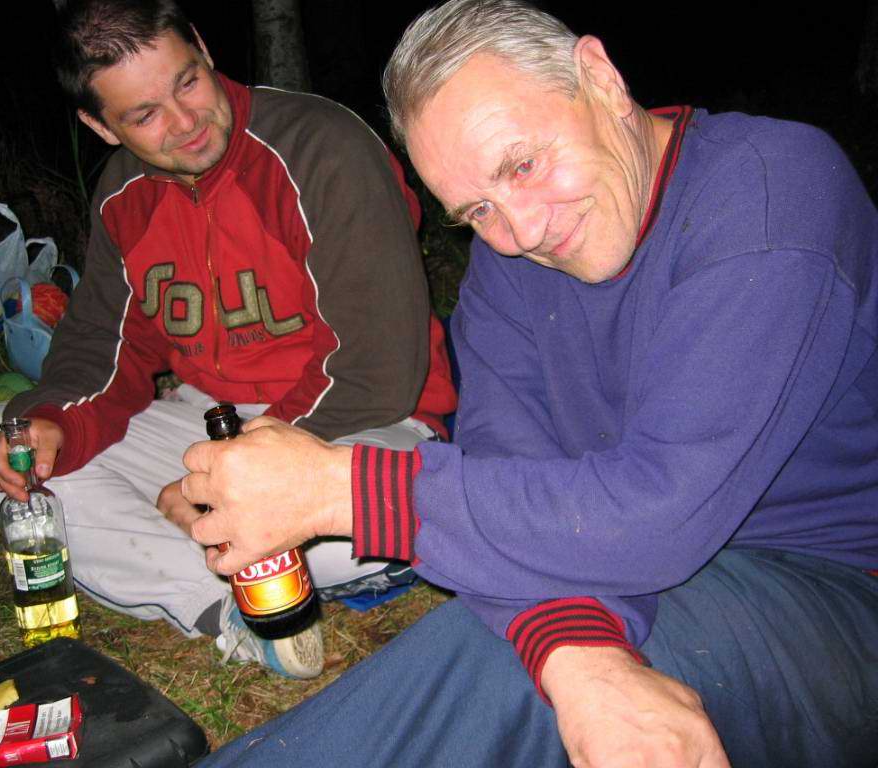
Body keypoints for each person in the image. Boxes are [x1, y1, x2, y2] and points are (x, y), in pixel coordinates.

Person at [177, 0, 878, 765]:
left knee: (498, 680)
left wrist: (337, 491)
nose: (523, 231)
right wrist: (573, 654)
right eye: (477, 209)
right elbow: (508, 470)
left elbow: (657, 514)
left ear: (600, 79)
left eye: (523, 165)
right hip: (632, 557)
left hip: (835, 588)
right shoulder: (510, 266)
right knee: (539, 680)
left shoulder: (771, 195)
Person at [0, 0, 456, 680]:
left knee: (391, 513)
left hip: (362, 422)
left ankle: (246, 546)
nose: (186, 121)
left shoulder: (320, 147)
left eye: (187, 82)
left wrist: (231, 475)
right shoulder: (122, 196)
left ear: (201, 45)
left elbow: (377, 369)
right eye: (145, 115)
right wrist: (54, 421)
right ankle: (229, 610)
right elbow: (102, 345)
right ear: (100, 126)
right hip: (211, 417)